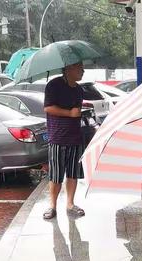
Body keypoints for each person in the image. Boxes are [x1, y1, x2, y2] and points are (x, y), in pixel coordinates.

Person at [43, 62, 86, 220]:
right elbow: (48, 108)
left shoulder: (79, 89)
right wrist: (69, 113)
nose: (83, 71)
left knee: (73, 173)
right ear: (69, 69)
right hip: (58, 137)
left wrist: (78, 112)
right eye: (80, 68)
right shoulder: (54, 85)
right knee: (56, 175)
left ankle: (70, 204)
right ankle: (52, 206)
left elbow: (77, 110)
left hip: (75, 136)